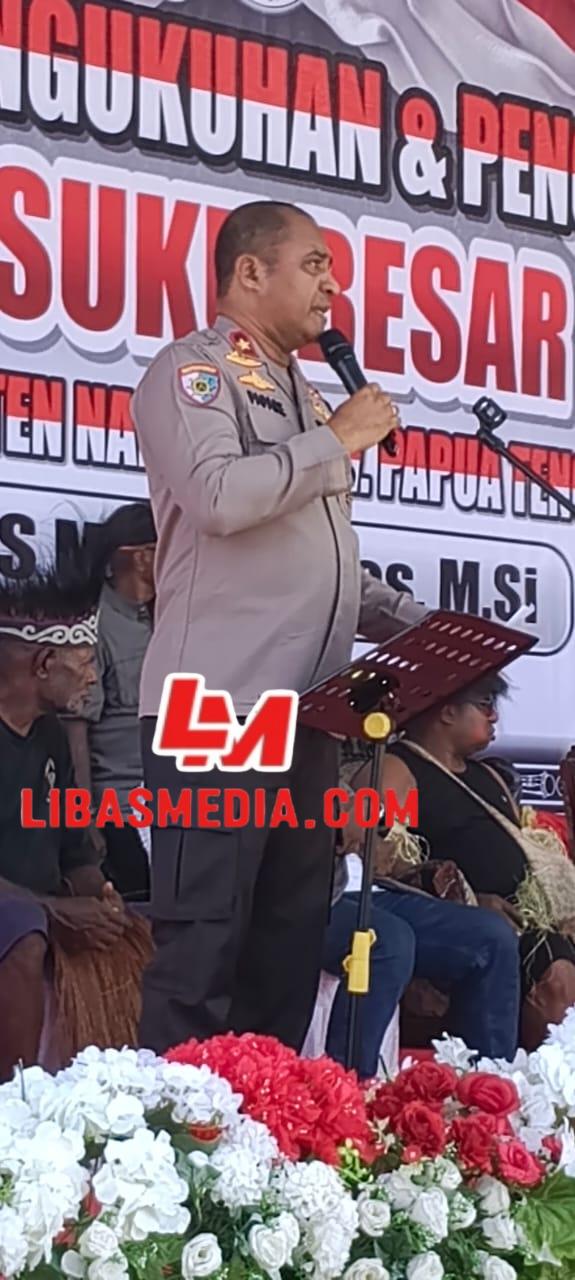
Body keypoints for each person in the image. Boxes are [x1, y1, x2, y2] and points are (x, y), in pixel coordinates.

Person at [131, 199, 428, 1054]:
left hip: (307, 714)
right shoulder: (193, 371)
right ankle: (175, 1133)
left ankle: (265, 1122)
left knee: (286, 948)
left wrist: (425, 626)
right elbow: (219, 497)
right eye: (314, 264)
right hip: (216, 708)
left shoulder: (302, 394)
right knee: (205, 949)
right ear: (250, 271)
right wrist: (334, 440)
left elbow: (319, 565)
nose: (332, 287)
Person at [0, 553, 151, 1081]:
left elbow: (76, 852)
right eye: (84, 662)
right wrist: (54, 910)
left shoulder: (51, 736)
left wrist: (99, 897)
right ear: (44, 664)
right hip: (18, 918)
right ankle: (13, 1104)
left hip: (38, 907)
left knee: (156, 928)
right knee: (22, 930)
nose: (92, 678)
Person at [368, 672, 575, 1049]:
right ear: (447, 712)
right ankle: (540, 1082)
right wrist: (468, 902)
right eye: (486, 705)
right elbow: (377, 862)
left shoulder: (490, 776)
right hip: (474, 924)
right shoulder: (399, 770)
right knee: (557, 975)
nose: (494, 717)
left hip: (530, 918)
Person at [322, 780, 521, 1077]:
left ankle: (484, 1089)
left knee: (492, 937)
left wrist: (370, 828)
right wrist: (337, 819)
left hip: (370, 889)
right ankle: (344, 1088)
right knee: (387, 941)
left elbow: (363, 806)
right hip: (314, 895)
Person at [64, 503, 156, 899]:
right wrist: (85, 820)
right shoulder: (94, 623)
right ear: (142, 557)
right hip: (121, 811)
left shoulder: (170, 616)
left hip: (177, 804)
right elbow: (74, 729)